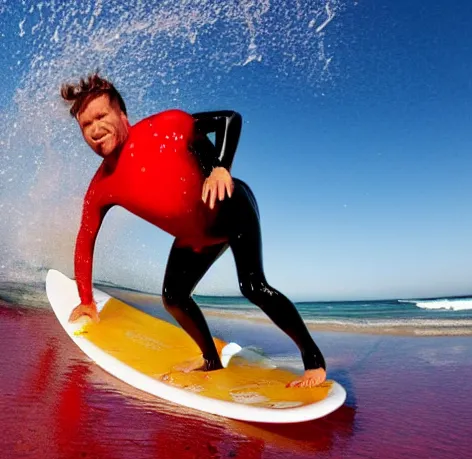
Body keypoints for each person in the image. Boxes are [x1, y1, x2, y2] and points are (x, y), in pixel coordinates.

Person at [61, 73, 327, 388]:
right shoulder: (101, 187)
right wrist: (86, 300)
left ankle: (314, 362)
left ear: (122, 115)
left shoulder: (165, 126)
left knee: (253, 286)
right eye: (85, 126)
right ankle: (210, 360)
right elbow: (85, 239)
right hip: (195, 236)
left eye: (101, 116)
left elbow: (229, 119)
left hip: (231, 208)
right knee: (173, 297)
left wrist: (220, 167)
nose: (94, 130)